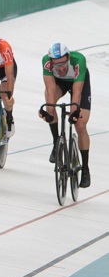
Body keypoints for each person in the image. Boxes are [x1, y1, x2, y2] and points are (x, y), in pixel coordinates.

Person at [41, 42, 92, 187]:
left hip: (78, 82)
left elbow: (77, 92)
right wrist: (49, 112)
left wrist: (75, 112)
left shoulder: (78, 60)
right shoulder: (46, 62)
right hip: (60, 83)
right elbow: (50, 90)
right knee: (50, 107)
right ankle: (56, 143)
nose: (61, 67)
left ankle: (86, 169)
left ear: (68, 58)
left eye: (63, 63)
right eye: (56, 65)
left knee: (80, 124)